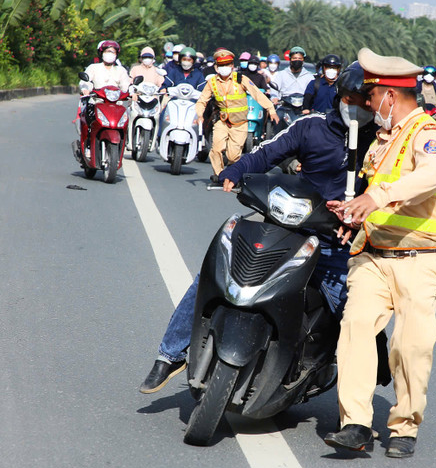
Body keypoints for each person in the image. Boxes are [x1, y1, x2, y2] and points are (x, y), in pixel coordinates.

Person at [139, 62, 388, 395]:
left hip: (341, 243)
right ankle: (169, 355)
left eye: (364, 100)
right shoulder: (310, 127)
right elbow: (267, 152)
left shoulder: (384, 141)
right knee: (216, 270)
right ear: (340, 96)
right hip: (291, 227)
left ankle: (362, 396)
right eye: (351, 98)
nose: (356, 107)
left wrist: (361, 220)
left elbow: (390, 193)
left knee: (359, 309)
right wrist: (236, 170)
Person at [323, 48, 436, 459]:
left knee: (410, 346)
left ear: (390, 97)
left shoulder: (429, 135)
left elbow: (428, 179)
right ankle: (356, 423)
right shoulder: (381, 142)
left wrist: (375, 196)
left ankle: (404, 425)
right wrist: (353, 214)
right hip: (374, 256)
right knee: (356, 327)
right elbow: (372, 201)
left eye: (370, 96)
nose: (365, 104)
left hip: (422, 258)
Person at [195, 48, 279, 183]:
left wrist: (271, 109)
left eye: (227, 65)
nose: (224, 68)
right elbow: (202, 101)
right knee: (216, 149)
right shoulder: (212, 82)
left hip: (240, 124)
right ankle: (219, 175)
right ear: (216, 67)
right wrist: (200, 115)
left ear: (232, 66)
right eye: (221, 65)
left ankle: (231, 172)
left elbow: (257, 94)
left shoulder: (241, 79)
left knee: (233, 156)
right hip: (222, 121)